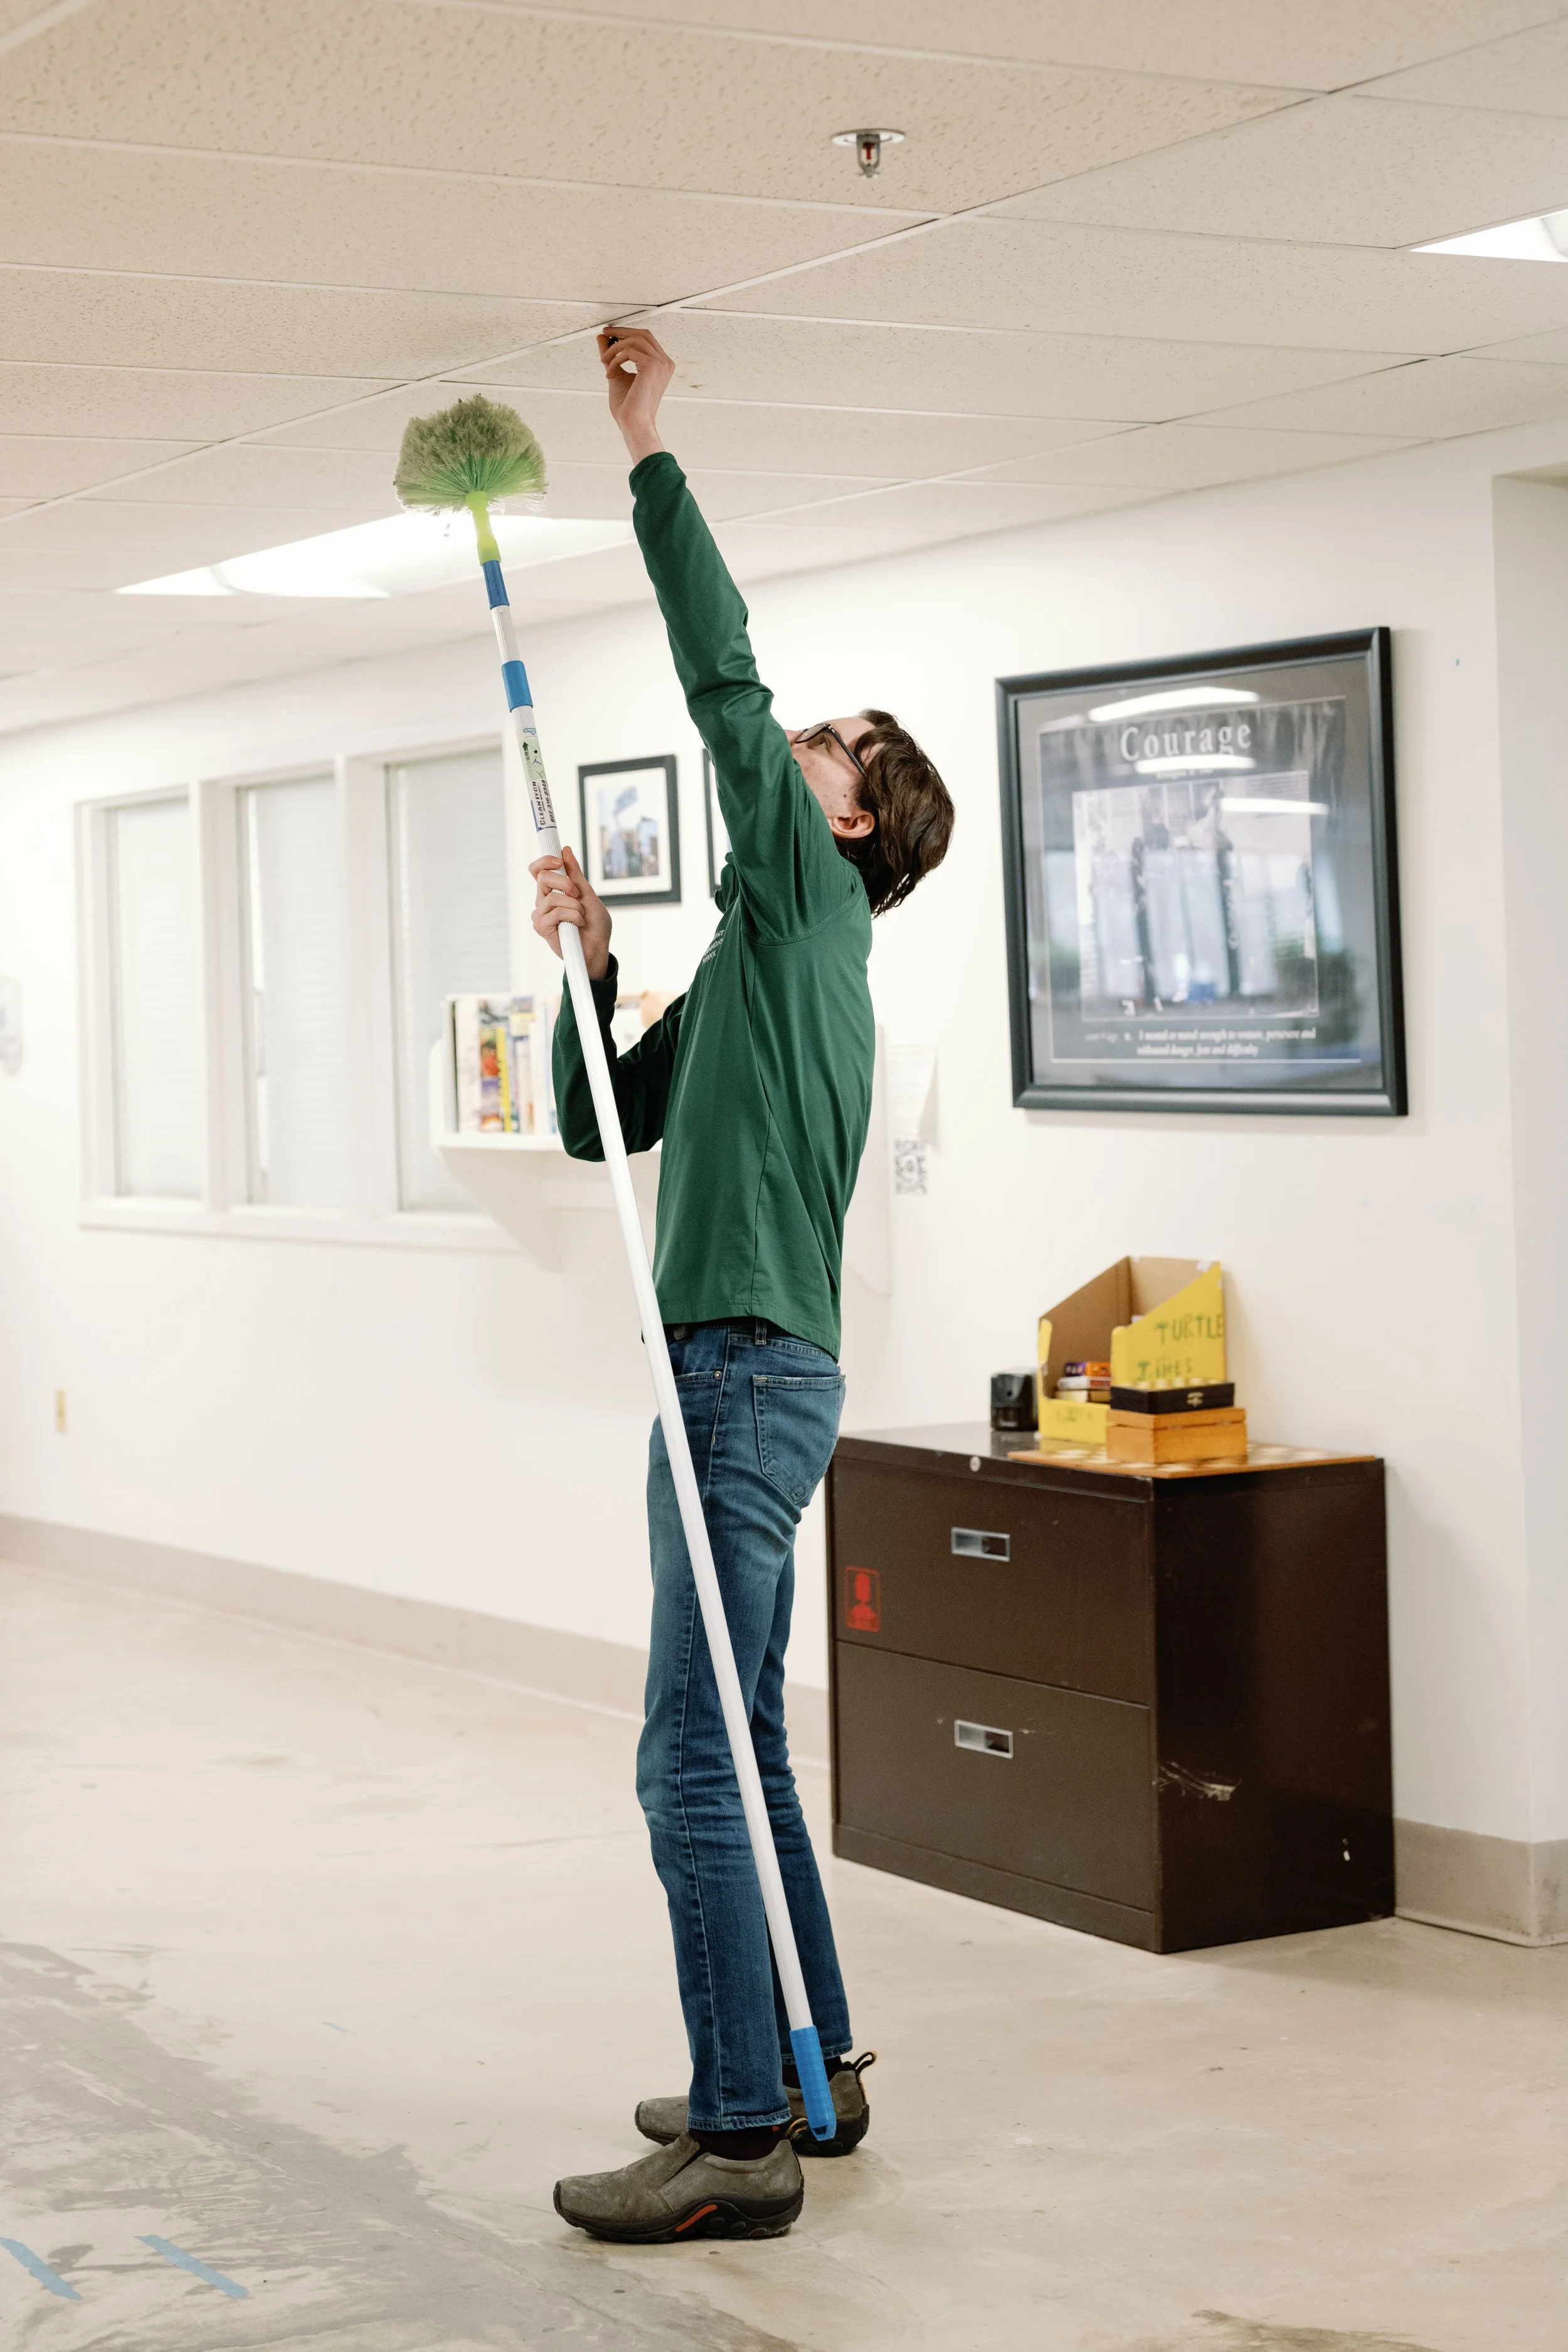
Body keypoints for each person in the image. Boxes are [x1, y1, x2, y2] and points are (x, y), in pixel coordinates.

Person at [533, 327, 954, 2245]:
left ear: (848, 821)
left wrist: (647, 454)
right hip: (749, 1366)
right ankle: (807, 2066)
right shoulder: (754, 970)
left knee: (686, 1752)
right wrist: (586, 968)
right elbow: (595, 1121)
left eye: (825, 749)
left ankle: (731, 2139)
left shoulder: (808, 907)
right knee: (743, 1741)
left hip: (737, 1372)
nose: (795, 750)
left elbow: (723, 679)